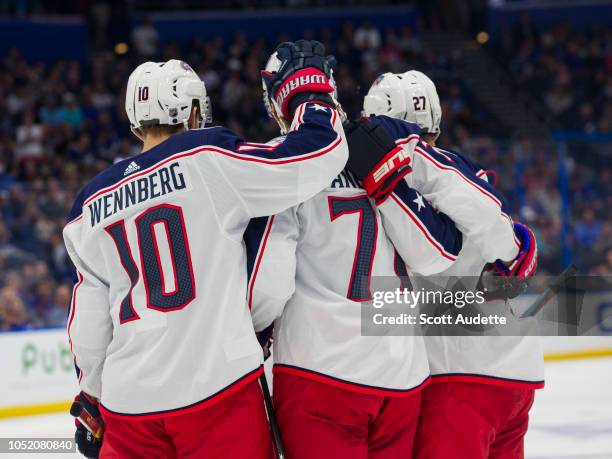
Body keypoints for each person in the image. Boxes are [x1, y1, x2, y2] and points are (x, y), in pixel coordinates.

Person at [63, 41, 348, 459]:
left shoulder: (88, 205)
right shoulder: (206, 156)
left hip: (130, 407)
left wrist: (91, 395)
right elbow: (315, 155)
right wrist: (310, 94)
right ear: (192, 111)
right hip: (217, 391)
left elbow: (89, 326)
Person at [247, 50, 464, 459]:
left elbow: (269, 280)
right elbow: (437, 256)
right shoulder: (404, 163)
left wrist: (255, 328)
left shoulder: (285, 159)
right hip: (401, 374)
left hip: (320, 371)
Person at [363, 70, 542, 459]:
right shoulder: (467, 170)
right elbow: (509, 247)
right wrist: (518, 245)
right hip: (514, 371)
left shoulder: (385, 181)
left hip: (458, 374)